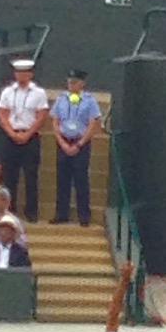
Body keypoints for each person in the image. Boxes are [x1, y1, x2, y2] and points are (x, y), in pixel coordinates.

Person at [0, 57, 50, 223]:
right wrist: (11, 132)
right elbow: (2, 113)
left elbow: (42, 116)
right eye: (18, 72)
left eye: (24, 72)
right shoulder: (7, 92)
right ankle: (9, 209)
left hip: (30, 136)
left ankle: (31, 211)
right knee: (9, 175)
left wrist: (28, 134)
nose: (21, 75)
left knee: (31, 175)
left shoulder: (39, 93)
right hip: (10, 136)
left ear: (31, 74)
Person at [50, 68, 102, 226]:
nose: (71, 85)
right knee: (62, 179)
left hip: (81, 142)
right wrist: (62, 142)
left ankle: (84, 215)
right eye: (69, 82)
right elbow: (55, 121)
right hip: (64, 141)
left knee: (81, 180)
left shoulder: (89, 100)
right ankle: (61, 213)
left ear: (82, 83)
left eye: (74, 82)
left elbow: (94, 123)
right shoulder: (61, 99)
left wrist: (80, 143)